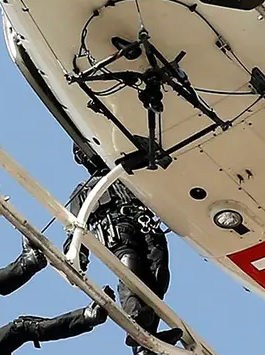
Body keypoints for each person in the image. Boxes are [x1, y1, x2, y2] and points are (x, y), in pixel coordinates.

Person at [63, 144, 183, 355]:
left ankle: (149, 336)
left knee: (159, 274)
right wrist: (77, 254)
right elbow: (75, 227)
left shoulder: (131, 173)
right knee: (130, 270)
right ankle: (137, 330)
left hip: (146, 227)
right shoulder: (83, 191)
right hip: (118, 232)